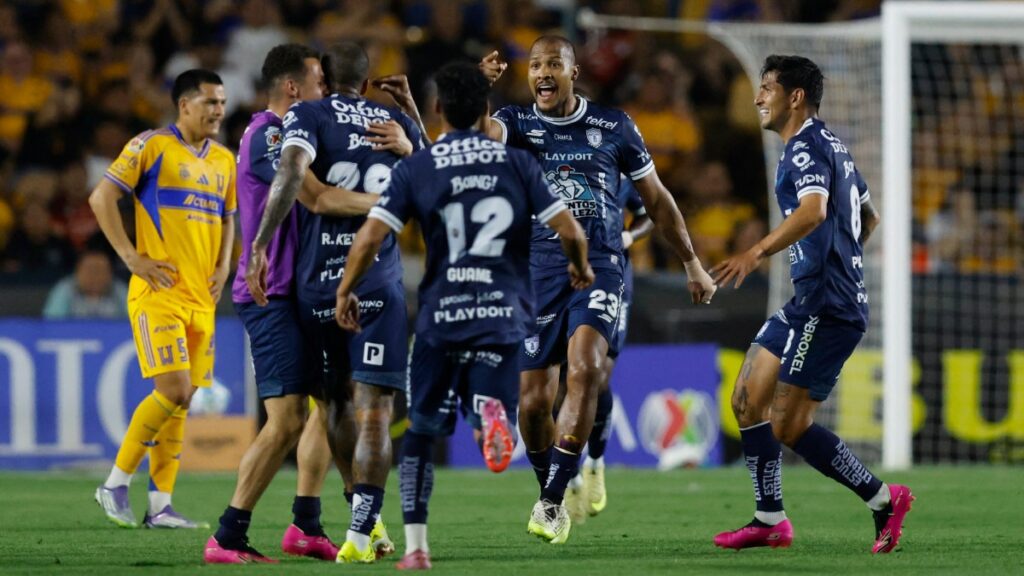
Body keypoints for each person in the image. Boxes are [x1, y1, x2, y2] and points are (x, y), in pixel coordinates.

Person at [335, 61, 592, 571]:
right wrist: (580, 268)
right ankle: (487, 419)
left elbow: (369, 236)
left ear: (437, 110)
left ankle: (416, 549)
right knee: (492, 405)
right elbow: (572, 231)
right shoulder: (517, 164)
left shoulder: (420, 166)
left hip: (441, 314)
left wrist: (346, 287)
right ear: (486, 112)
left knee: (422, 433)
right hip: (503, 314)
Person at [480, 36, 716, 544]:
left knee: (586, 370)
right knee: (532, 403)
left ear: (573, 71)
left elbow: (657, 200)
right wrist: (482, 89)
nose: (543, 73)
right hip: (535, 272)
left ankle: (550, 502)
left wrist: (693, 263)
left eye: (553, 65)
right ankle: (556, 489)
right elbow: (477, 136)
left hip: (601, 266)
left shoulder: (614, 126)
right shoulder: (517, 124)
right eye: (535, 65)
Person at [710, 55, 910, 554]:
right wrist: (844, 259)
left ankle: (885, 499)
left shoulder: (803, 149)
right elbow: (869, 215)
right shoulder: (831, 145)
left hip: (827, 306)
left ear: (794, 97)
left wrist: (757, 250)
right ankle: (769, 519)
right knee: (745, 398)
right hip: (813, 300)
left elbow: (816, 209)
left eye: (767, 88)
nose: (758, 97)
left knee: (787, 424)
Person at [249, 41, 422, 564]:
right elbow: (441, 171)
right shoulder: (395, 124)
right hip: (376, 280)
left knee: (336, 405)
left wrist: (258, 244)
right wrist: (411, 125)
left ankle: (354, 525)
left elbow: (292, 176)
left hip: (317, 285)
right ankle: (362, 528)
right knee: (374, 413)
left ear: (323, 76)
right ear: (368, 83)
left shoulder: (306, 113)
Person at [204, 43, 339, 564]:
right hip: (271, 293)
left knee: (329, 408)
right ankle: (227, 535)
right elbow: (311, 194)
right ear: (292, 87)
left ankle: (306, 526)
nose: (324, 90)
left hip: (300, 291)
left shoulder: (297, 132)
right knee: (283, 421)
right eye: (318, 82)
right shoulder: (269, 133)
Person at [90, 69, 235, 529]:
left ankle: (161, 506)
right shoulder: (150, 145)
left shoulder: (224, 160)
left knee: (183, 399)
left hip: (202, 298)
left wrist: (224, 266)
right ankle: (114, 482)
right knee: (171, 390)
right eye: (210, 102)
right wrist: (131, 258)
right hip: (159, 294)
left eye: (222, 102)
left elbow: (228, 217)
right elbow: (101, 197)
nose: (218, 111)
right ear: (184, 105)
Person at [564, 178, 652, 524]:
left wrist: (629, 236)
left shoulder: (623, 176)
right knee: (560, 379)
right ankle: (569, 479)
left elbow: (650, 215)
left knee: (597, 374)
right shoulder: (560, 164)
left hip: (611, 279)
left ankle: (595, 465)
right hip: (562, 277)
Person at [43, 249, 128, 319]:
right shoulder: (64, 289)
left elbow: (133, 322)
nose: (95, 275)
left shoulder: (121, 291)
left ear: (110, 273)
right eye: (90, 270)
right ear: (77, 271)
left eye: (100, 270)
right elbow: (52, 322)